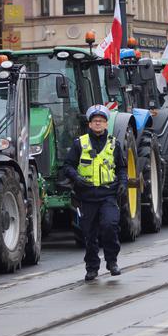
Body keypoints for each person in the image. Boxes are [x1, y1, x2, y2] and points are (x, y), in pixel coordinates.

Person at [63, 105, 127, 281]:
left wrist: (122, 183)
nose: (98, 124)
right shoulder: (80, 144)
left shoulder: (114, 144)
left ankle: (112, 262)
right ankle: (92, 267)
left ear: (106, 124)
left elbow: (121, 168)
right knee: (89, 234)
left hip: (108, 194)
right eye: (94, 121)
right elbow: (67, 166)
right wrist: (76, 178)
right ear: (89, 124)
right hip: (87, 196)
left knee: (110, 226)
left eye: (101, 121)